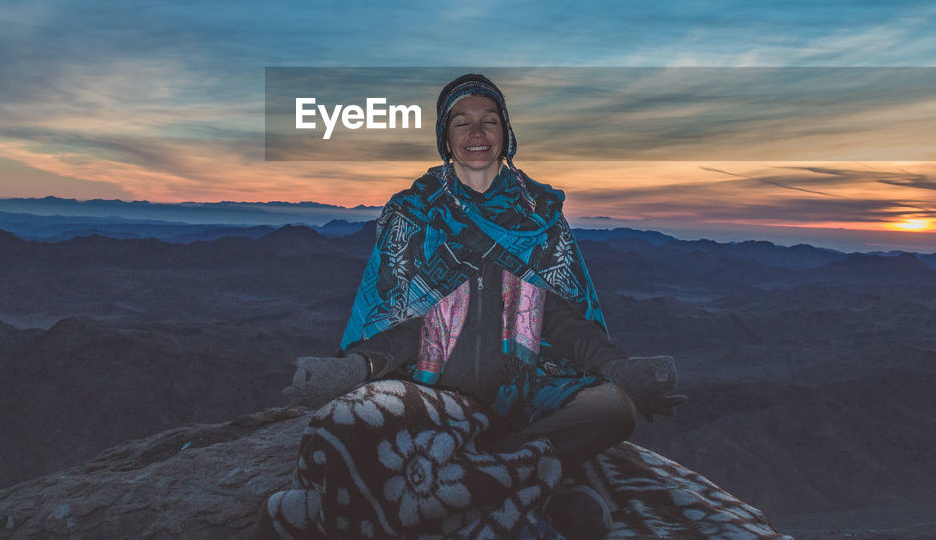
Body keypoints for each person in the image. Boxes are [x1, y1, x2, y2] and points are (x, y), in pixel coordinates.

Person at [279, 74, 685, 540]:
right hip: (433, 384)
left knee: (614, 409)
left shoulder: (540, 216)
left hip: (529, 382)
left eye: (489, 121)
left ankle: (472, 470)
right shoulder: (413, 213)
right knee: (358, 420)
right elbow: (401, 317)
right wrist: (356, 368)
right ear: (444, 137)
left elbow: (561, 316)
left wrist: (620, 369)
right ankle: (531, 479)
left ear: (506, 133)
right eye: (462, 123)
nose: (476, 134)